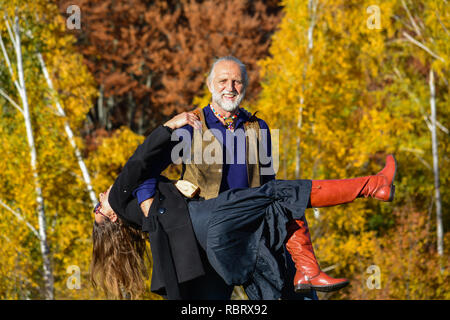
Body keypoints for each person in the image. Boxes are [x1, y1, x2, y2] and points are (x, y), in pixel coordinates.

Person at [90, 116, 397, 300]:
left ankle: (306, 270)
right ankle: (372, 186)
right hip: (207, 218)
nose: (101, 195)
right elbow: (139, 161)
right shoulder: (119, 197)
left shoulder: (142, 213)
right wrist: (172, 123)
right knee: (279, 192)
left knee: (274, 221)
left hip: (205, 246)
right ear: (112, 215)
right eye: (97, 206)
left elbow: (150, 166)